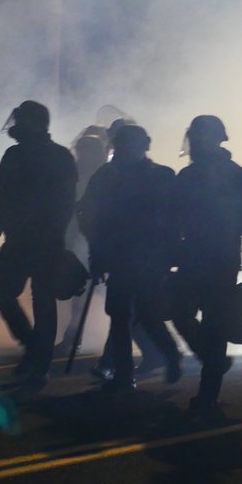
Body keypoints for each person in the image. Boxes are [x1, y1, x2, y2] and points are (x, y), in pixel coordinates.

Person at [78, 123, 182, 391]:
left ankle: (167, 355)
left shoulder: (160, 176)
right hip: (121, 258)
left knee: (144, 315)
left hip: (148, 258)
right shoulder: (109, 176)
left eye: (129, 144)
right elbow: (88, 217)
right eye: (122, 144)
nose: (125, 150)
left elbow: (175, 220)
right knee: (122, 316)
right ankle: (126, 373)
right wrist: (97, 253)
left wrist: (171, 254)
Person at [171, 115, 242, 416]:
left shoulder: (236, 176)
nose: (194, 144)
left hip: (219, 258)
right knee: (180, 313)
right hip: (198, 256)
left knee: (213, 326)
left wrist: (220, 224)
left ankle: (208, 394)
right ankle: (213, 362)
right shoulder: (189, 176)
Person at [0, 101, 77, 381]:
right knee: (11, 294)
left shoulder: (47, 156)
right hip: (28, 240)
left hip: (39, 241)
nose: (16, 126)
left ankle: (38, 359)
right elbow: (2, 199)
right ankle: (36, 351)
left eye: (22, 121)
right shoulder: (24, 155)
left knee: (39, 300)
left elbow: (65, 204)